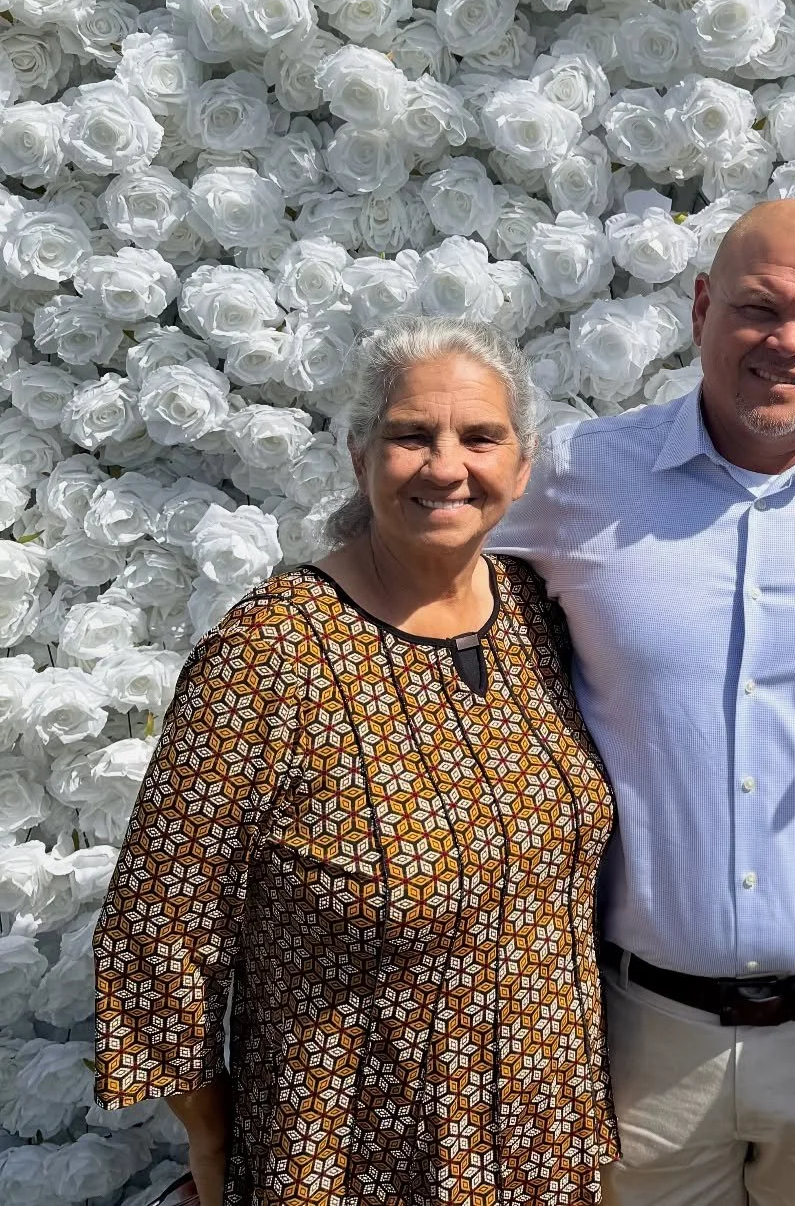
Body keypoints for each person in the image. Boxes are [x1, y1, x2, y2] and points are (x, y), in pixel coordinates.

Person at [492, 198, 795, 1206]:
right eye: (758, 308)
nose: (786, 344)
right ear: (702, 305)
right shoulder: (580, 476)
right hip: (641, 1037)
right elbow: (422, 576)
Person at [93, 318, 616, 1206]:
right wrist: (213, 1140)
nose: (447, 465)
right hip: (349, 1156)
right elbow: (159, 921)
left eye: (480, 436)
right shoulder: (273, 649)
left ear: (521, 467)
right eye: (414, 434)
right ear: (360, 456)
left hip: (544, 1148)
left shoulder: (536, 614)